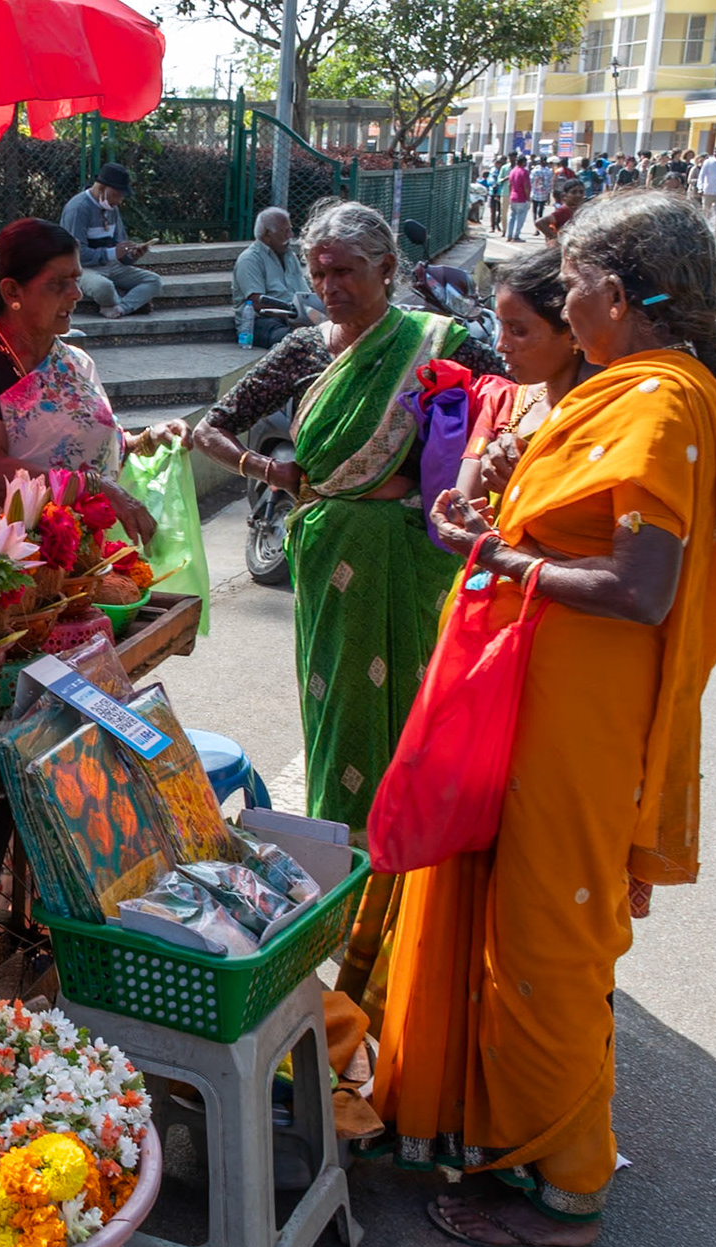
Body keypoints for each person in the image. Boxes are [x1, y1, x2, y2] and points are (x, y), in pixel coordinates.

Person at [373, 190, 716, 1247]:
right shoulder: (626, 391)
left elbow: (640, 587)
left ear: (617, 296)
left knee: (548, 940)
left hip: (579, 720)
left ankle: (567, 1189)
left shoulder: (661, 404)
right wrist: (486, 524)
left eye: (574, 283)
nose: (566, 300)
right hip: (538, 698)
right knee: (518, 925)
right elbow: (574, 535)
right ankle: (514, 1133)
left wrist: (500, 562)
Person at [161, 200, 507, 1030]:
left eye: (345, 270)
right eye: (318, 271)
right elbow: (215, 424)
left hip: (411, 563)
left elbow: (519, 406)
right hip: (329, 555)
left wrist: (462, 480)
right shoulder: (305, 349)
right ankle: (356, 900)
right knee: (341, 718)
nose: (329, 286)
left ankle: (420, 900)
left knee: (415, 719)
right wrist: (265, 469)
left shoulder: (440, 342)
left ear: (388, 269)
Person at [0, 218, 170, 539]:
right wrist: (91, 488)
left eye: (76, 279)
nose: (75, 294)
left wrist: (146, 441)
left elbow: (86, 451)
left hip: (72, 552)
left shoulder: (76, 362)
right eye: (58, 283)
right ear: (12, 290)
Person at [455, 246, 598, 502]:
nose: (501, 345)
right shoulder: (503, 402)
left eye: (517, 331)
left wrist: (527, 484)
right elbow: (463, 503)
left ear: (572, 331)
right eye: (501, 326)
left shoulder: (604, 416)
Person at [58, 162, 161, 319]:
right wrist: (113, 253)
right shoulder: (78, 209)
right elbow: (75, 254)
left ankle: (121, 307)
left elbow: (119, 248)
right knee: (103, 287)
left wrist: (132, 254)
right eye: (117, 195)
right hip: (82, 269)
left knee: (154, 281)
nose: (119, 201)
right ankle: (130, 303)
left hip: (110, 266)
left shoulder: (112, 209)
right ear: (101, 188)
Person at [231, 206, 312, 347]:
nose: (291, 235)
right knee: (293, 339)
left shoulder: (290, 256)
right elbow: (256, 302)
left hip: (295, 317)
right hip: (263, 322)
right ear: (268, 235)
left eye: (290, 230)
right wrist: (290, 316)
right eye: (285, 231)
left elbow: (305, 293)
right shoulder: (250, 259)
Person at [506, 156, 533, 242]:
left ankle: (509, 235)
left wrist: (511, 194)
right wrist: (528, 198)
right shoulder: (524, 172)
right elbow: (526, 186)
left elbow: (509, 184)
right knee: (520, 218)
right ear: (523, 162)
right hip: (521, 198)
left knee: (512, 217)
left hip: (513, 196)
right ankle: (516, 236)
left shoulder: (512, 171)